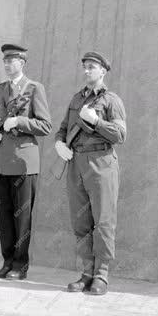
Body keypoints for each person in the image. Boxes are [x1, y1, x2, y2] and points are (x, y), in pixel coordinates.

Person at [54, 51, 126, 296]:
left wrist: (97, 122)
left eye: (92, 67)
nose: (87, 71)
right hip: (76, 163)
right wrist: (59, 143)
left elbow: (120, 135)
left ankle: (101, 275)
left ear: (103, 71)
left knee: (104, 220)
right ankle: (86, 272)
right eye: (85, 66)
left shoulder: (111, 100)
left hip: (102, 163)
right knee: (81, 221)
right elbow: (63, 128)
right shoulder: (76, 99)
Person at [0, 44, 52, 280]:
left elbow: (45, 125)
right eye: (4, 61)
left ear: (22, 63)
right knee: (4, 215)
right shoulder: (0, 89)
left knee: (22, 216)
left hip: (25, 160)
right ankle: (6, 261)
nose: (7, 64)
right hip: (2, 160)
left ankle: (20, 265)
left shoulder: (34, 88)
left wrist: (20, 123)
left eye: (11, 61)